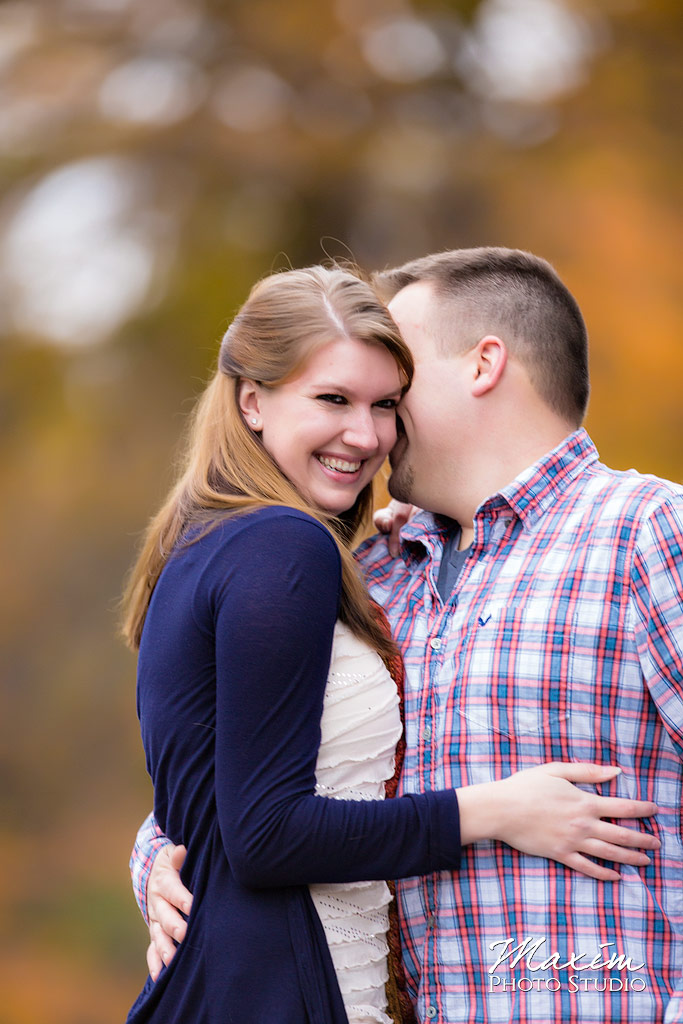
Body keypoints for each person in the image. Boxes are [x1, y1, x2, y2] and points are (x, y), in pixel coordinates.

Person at [127, 254, 674, 1024]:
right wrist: (156, 861)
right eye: (340, 394)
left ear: (484, 364)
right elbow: (251, 787)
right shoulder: (372, 572)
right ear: (252, 402)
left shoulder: (644, 532)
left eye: (394, 389)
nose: (372, 427)